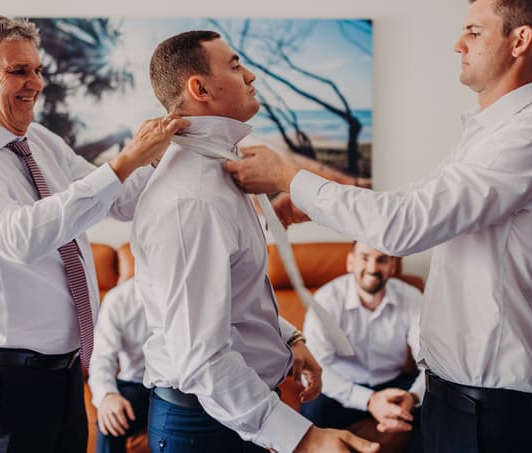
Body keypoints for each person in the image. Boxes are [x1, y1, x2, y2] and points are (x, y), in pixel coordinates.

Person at [225, 0, 532, 453]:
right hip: (453, 398)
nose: (458, 44)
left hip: (491, 412)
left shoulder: (530, 138)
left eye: (474, 32)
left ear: (519, 40)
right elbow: (417, 201)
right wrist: (318, 201)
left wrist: (290, 177)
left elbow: (405, 224)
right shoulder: (489, 134)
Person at [0, 11, 188, 453]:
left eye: (38, 69)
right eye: (19, 71)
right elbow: (19, 238)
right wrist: (125, 161)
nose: (37, 83)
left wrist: (162, 155)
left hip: (64, 372)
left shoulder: (41, 140)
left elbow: (120, 200)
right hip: (7, 379)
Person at [131, 30, 379, 453]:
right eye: (234, 66)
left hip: (228, 413)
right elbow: (201, 357)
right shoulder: (192, 200)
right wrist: (303, 438)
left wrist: (288, 339)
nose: (250, 75)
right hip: (204, 427)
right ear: (200, 88)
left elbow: (231, 298)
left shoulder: (218, 172)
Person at [300, 241, 423, 453]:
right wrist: (369, 400)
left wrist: (412, 397)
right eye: (365, 258)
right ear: (350, 262)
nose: (373, 268)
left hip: (394, 385)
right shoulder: (326, 300)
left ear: (393, 266)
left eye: (382, 259)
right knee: (311, 416)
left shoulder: (412, 298)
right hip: (342, 387)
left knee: (438, 410)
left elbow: (431, 363)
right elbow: (311, 371)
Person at [88, 278, 151, 453]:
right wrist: (107, 395)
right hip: (137, 385)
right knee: (111, 421)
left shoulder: (187, 293)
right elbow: (101, 358)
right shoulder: (117, 300)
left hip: (179, 386)